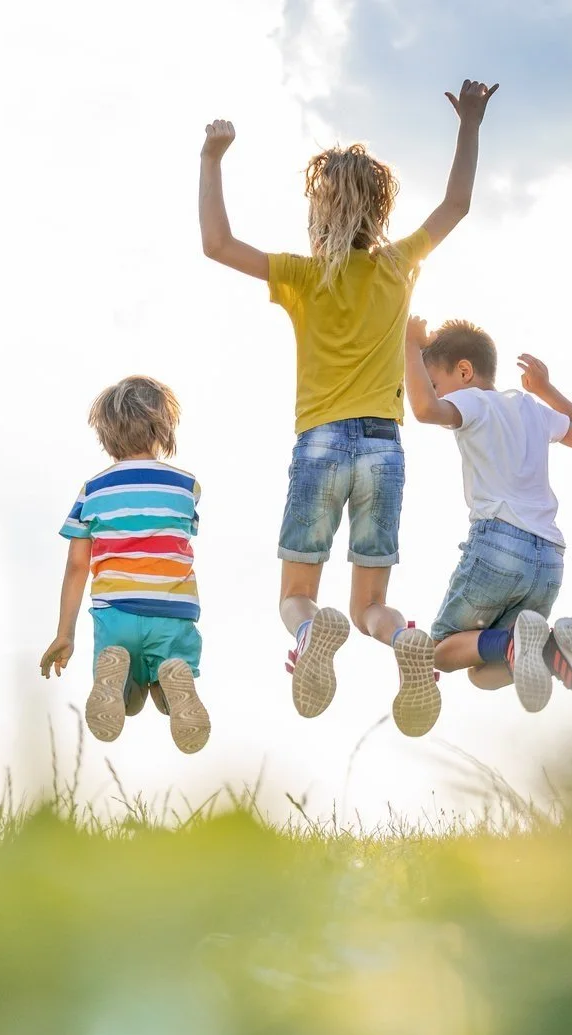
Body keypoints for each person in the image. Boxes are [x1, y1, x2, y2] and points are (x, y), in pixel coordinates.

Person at [196, 79, 498, 737]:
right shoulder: (396, 267)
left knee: (297, 596)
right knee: (370, 607)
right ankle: (403, 641)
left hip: (320, 444)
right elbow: (456, 204)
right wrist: (470, 121)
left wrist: (212, 159)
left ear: (320, 214)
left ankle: (309, 635)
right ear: (378, 212)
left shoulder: (304, 276)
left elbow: (217, 245)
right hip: (384, 448)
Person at [405, 318, 572, 716]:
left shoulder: (472, 401)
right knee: (482, 673)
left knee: (444, 651)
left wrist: (411, 347)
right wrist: (547, 390)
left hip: (499, 544)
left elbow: (425, 410)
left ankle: (519, 644)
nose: (435, 392)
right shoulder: (532, 409)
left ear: (464, 372)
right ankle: (550, 651)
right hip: (548, 560)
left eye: (436, 381)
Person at [40, 376, 211, 753]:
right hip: (172, 610)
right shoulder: (186, 487)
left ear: (106, 434)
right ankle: (173, 672)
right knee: (168, 699)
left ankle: (114, 674)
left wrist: (65, 633)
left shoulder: (94, 490)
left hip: (116, 611)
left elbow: (76, 566)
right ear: (164, 427)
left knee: (128, 702)